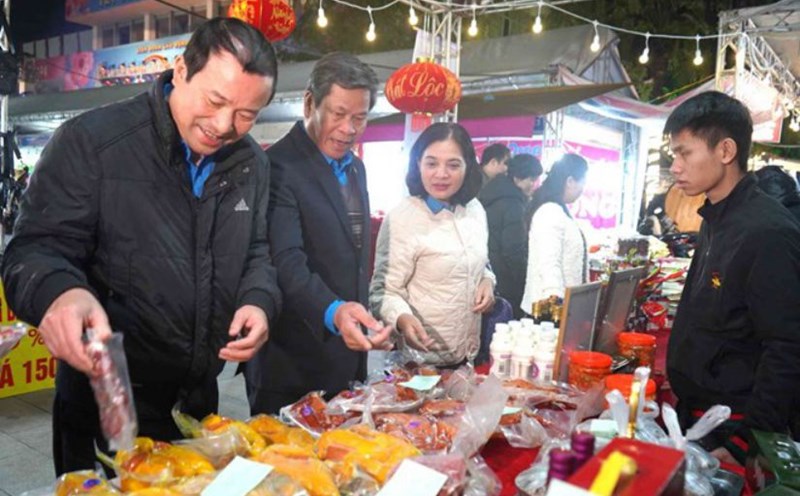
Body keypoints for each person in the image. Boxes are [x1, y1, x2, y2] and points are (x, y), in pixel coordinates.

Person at [1, 18, 281, 475]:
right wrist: (59, 292)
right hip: (108, 401)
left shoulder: (251, 164)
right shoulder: (92, 143)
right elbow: (32, 251)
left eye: (247, 114)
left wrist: (259, 300)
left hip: (196, 403)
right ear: (181, 71)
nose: (224, 126)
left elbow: (257, 251)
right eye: (215, 101)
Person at [243, 52, 391, 415]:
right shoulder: (277, 166)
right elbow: (285, 261)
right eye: (338, 114)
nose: (349, 129)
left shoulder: (356, 167)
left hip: (347, 353)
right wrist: (335, 311)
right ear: (310, 103)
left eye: (360, 117)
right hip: (292, 358)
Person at [665, 91, 800, 463]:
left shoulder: (767, 231)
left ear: (725, 151)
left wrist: (744, 444)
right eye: (673, 154)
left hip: (733, 429)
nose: (675, 166)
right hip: (701, 417)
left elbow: (787, 347)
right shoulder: (715, 217)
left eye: (684, 153)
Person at [370, 122, 495, 367]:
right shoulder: (402, 218)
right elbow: (382, 292)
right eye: (431, 163)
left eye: (453, 165)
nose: (441, 174)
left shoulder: (474, 210)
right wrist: (402, 318)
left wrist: (488, 280)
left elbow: (478, 262)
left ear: (468, 167)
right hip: (420, 363)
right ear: (418, 164)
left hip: (468, 356)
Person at [520, 154, 588, 315]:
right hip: (548, 311)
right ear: (570, 181)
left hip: (561, 308)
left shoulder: (558, 210)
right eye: (582, 182)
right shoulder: (550, 212)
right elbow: (549, 263)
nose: (582, 189)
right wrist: (556, 303)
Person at [479, 153, 543, 318]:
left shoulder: (492, 193)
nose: (533, 185)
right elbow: (513, 250)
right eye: (531, 179)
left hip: (489, 274)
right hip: (506, 280)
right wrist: (524, 282)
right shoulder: (513, 204)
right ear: (517, 178)